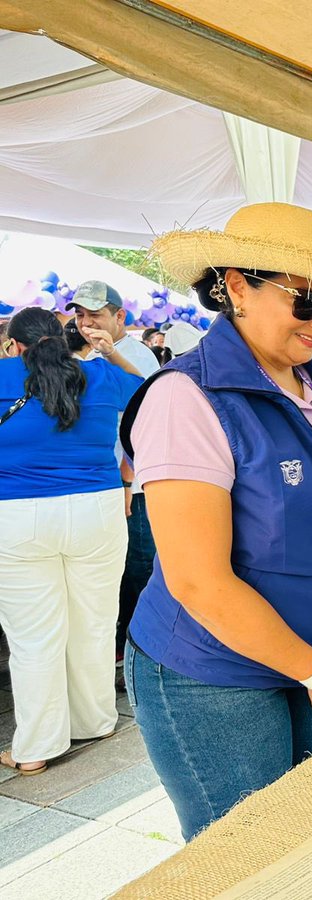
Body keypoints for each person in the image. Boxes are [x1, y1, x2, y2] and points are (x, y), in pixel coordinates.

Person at [120, 203, 312, 839]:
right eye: (305, 302)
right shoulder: (186, 398)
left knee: (307, 840)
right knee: (245, 856)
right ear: (236, 285)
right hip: (214, 673)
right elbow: (198, 582)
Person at [0, 308, 144, 776]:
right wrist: (111, 351)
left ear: (15, 345)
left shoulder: (5, 374)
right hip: (97, 510)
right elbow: (146, 392)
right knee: (96, 620)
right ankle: (96, 719)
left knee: (33, 636)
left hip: (17, 514)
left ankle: (36, 747)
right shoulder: (100, 375)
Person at [67, 281, 160, 669]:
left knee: (137, 570)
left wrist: (126, 480)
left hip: (133, 489)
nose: (87, 323)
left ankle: (138, 655)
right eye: (81, 315)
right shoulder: (87, 356)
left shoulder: (135, 356)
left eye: (96, 315)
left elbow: (147, 423)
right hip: (101, 485)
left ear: (119, 317)